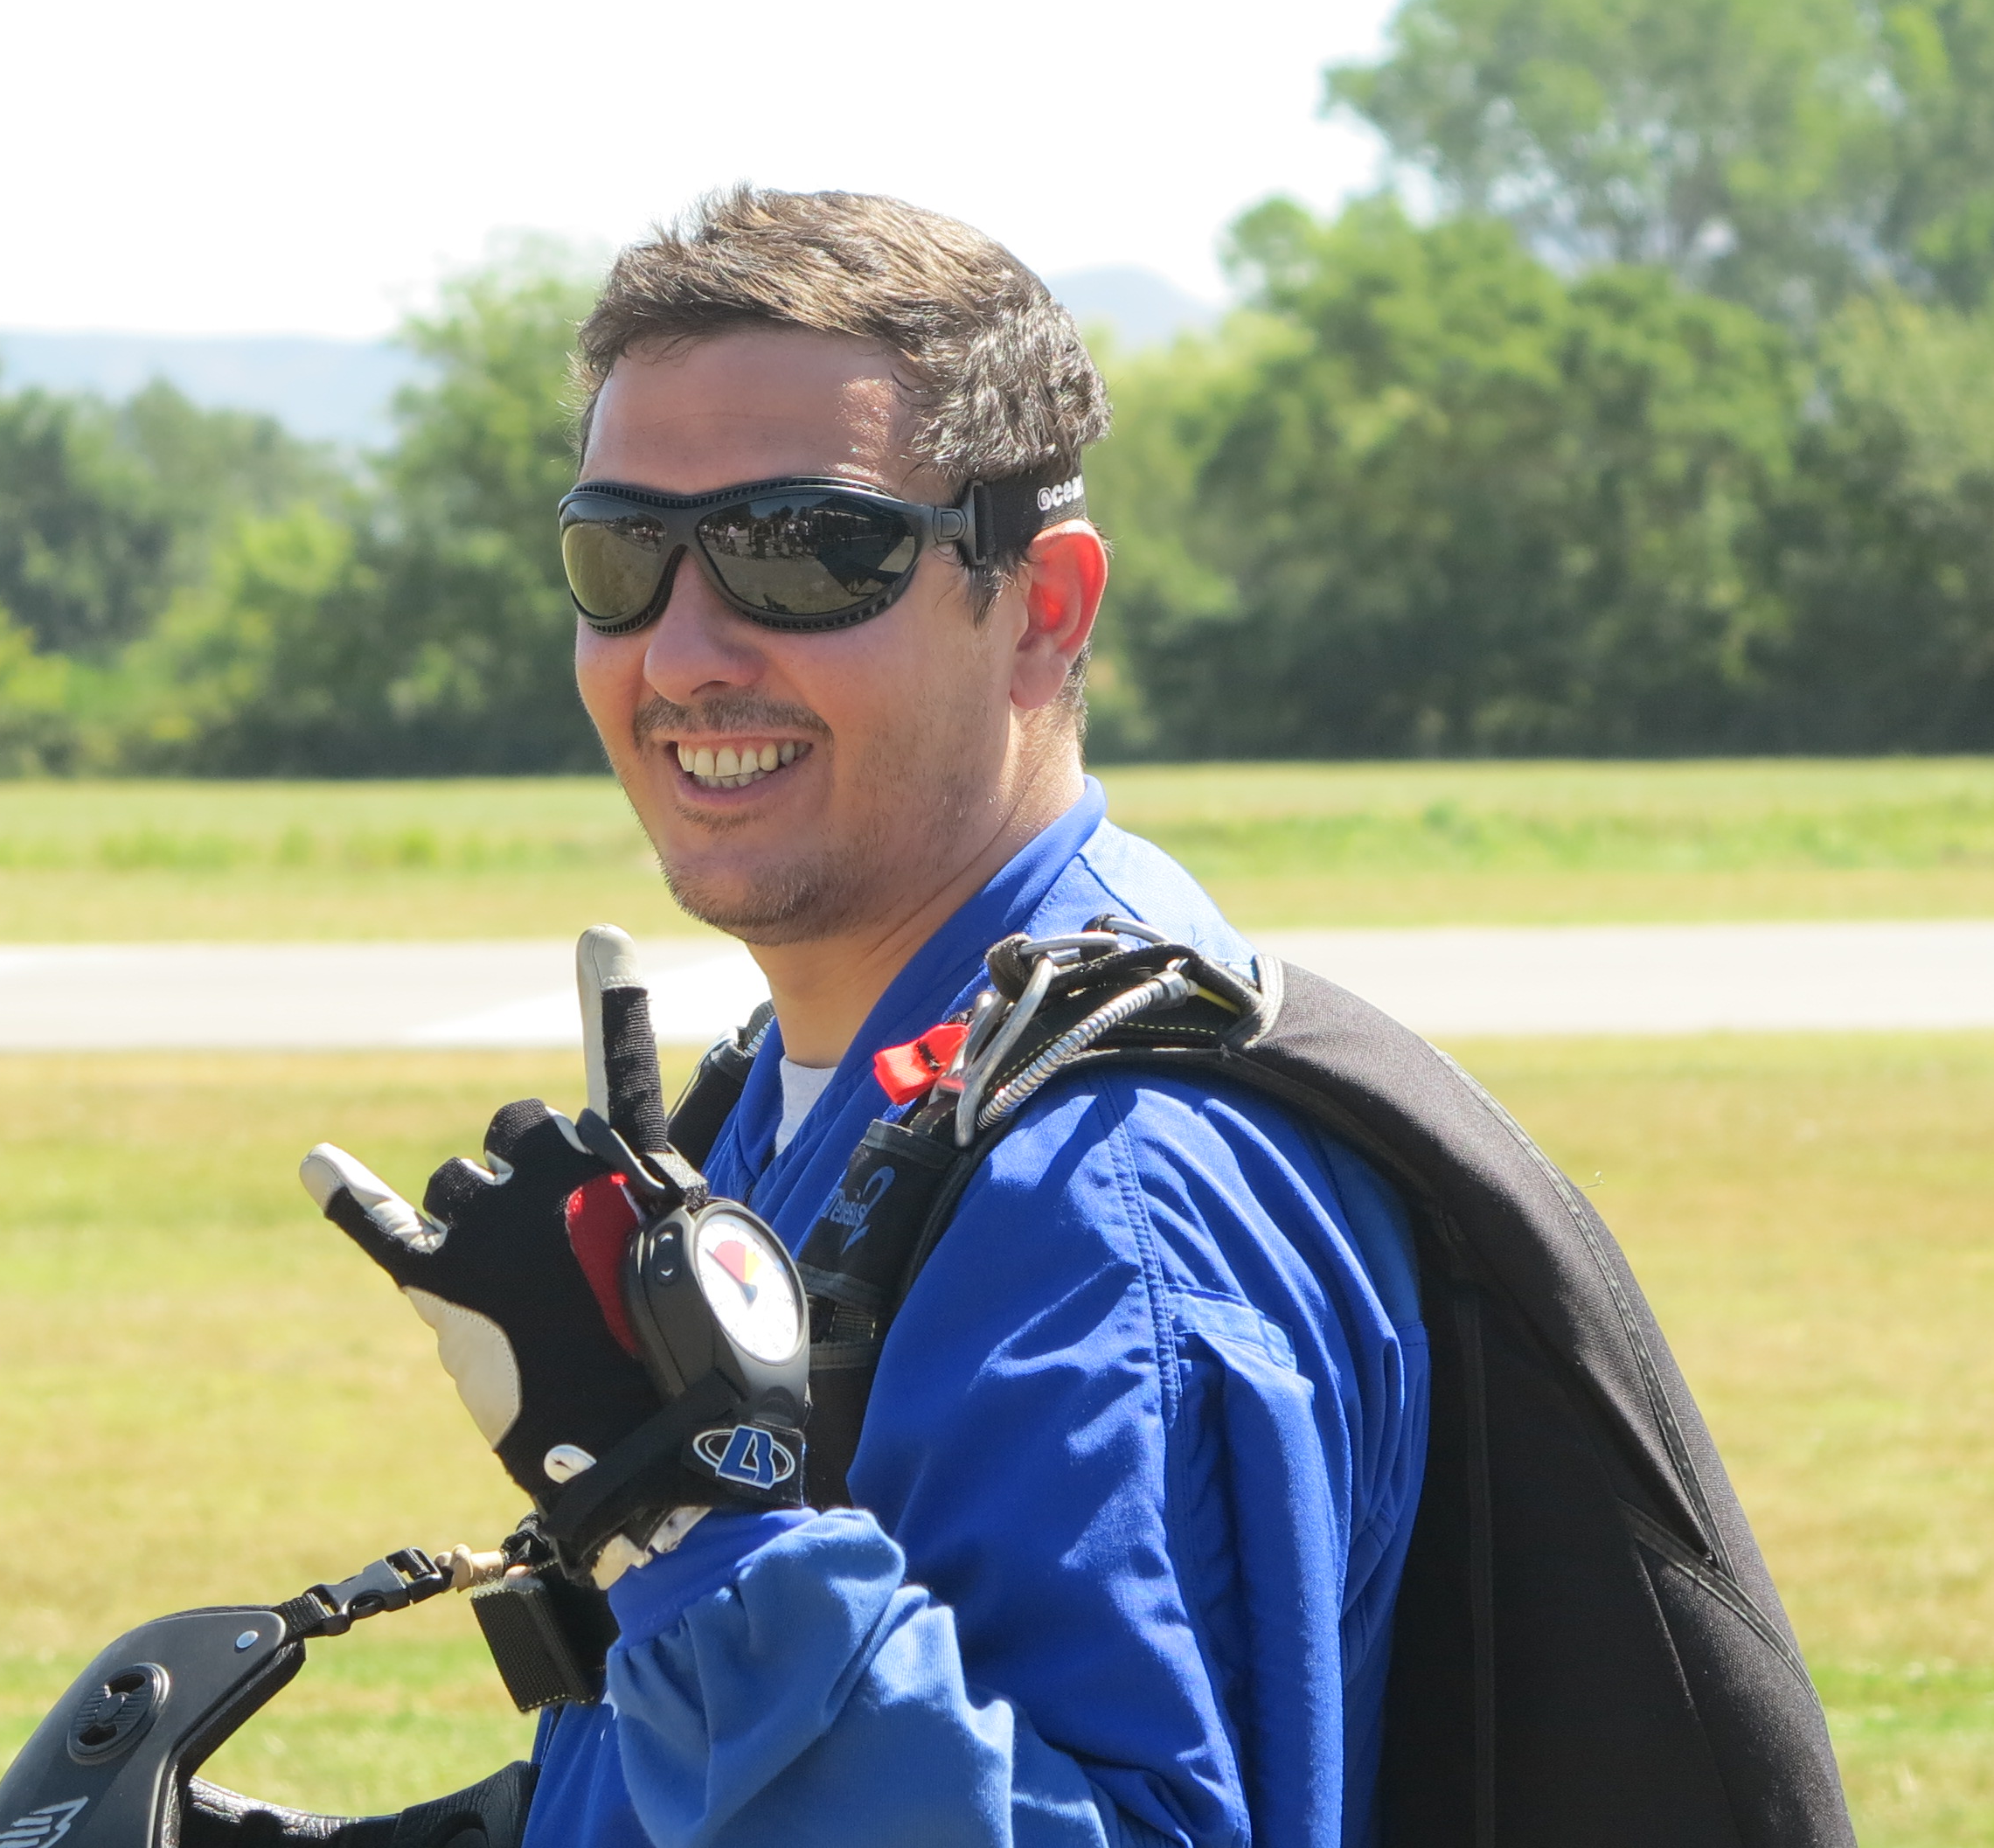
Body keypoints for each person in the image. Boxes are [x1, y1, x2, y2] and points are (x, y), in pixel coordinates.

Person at [306, 186, 1431, 1848]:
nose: (682, 653)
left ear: (1040, 607)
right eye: (619, 557)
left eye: (800, 553)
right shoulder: (840, 1092)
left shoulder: (1095, 1191)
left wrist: (681, 1517)